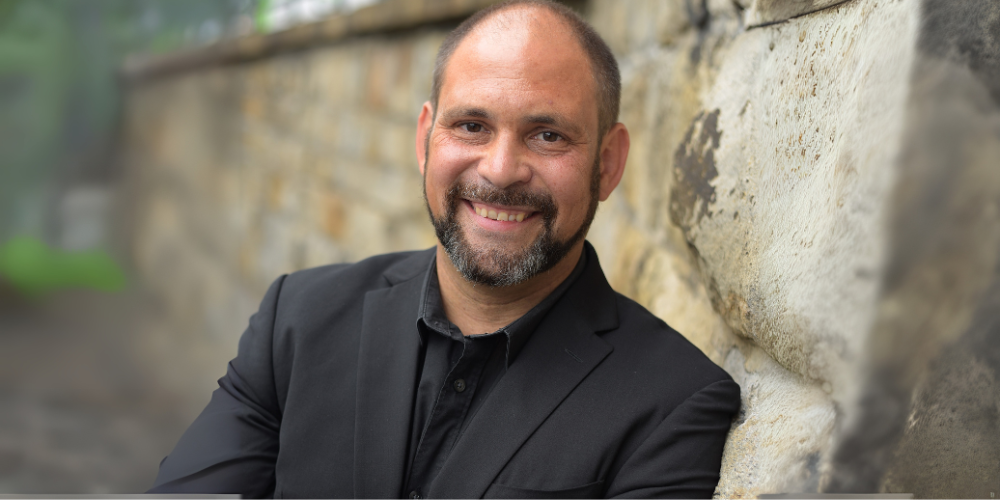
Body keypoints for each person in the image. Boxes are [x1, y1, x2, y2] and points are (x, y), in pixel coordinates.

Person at [149, 1, 741, 498]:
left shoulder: (673, 404)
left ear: (608, 164)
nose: (501, 169)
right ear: (425, 139)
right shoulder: (298, 320)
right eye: (471, 126)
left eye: (547, 135)